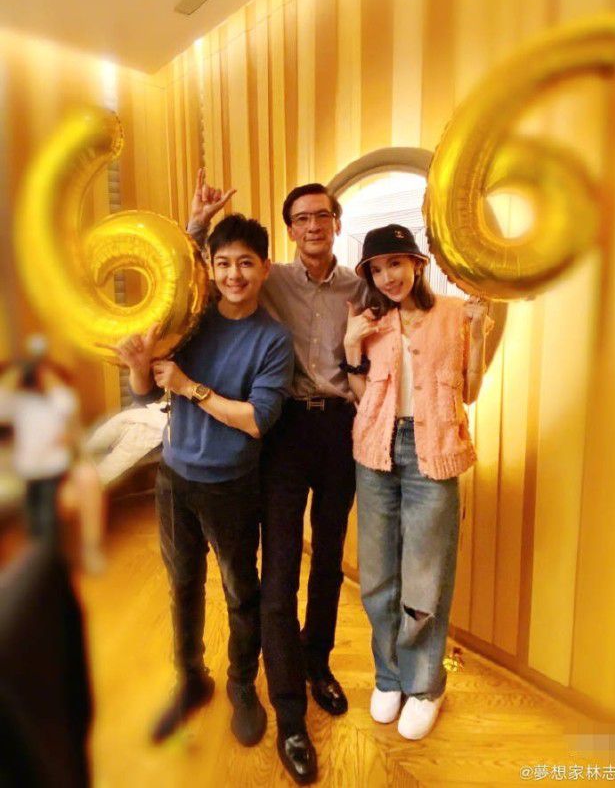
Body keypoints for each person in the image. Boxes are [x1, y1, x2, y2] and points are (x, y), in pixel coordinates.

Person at [189, 172, 365, 784]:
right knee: (281, 569)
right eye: (301, 219)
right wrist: (198, 225)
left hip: (341, 428)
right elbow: (207, 274)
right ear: (289, 232)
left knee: (330, 560)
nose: (312, 226)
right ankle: (290, 713)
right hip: (285, 430)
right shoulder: (272, 279)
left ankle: (318, 663)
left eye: (322, 216)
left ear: (336, 222)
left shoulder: (361, 285)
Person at [109, 214, 294, 747]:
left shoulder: (273, 339)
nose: (234, 274)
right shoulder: (193, 320)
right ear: (210, 268)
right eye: (224, 263)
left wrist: (189, 386)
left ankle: (242, 684)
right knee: (183, 585)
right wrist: (139, 366)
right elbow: (148, 392)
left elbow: (256, 419)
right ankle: (190, 678)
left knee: (239, 590)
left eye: (245, 263)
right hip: (174, 478)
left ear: (264, 268)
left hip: (231, 485)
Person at [342, 223, 492, 741]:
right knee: (378, 576)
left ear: (417, 264)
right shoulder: (368, 320)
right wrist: (350, 344)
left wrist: (479, 331)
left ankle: (425, 686)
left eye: (396, 264)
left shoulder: (452, 313)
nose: (388, 277)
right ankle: (389, 677)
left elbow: (469, 391)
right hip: (375, 451)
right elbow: (361, 392)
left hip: (433, 452)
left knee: (426, 578)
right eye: (377, 269)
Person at [0, 335, 79, 547]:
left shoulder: (56, 400)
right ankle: (39, 552)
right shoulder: (20, 402)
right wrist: (13, 376)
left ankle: (48, 553)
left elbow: (68, 405)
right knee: (32, 519)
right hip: (29, 469)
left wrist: (48, 377)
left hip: (52, 469)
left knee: (48, 519)